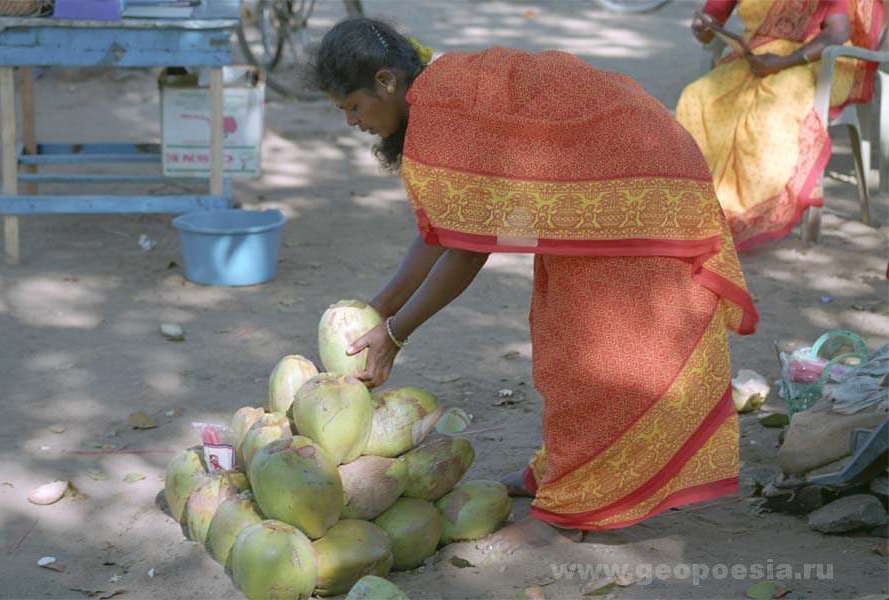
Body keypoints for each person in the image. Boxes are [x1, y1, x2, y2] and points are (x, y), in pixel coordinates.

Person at [308, 18, 758, 547]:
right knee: (563, 336)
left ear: (386, 81)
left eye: (354, 107)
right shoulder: (433, 94)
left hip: (640, 185)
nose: (353, 122)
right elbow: (446, 227)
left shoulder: (439, 116)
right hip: (616, 174)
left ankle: (573, 510)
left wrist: (397, 334)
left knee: (598, 354)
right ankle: (561, 476)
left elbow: (470, 248)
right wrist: (381, 305)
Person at [676, 0, 884, 250]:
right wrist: (703, 28)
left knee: (770, 111)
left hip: (810, 58)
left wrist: (783, 62)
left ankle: (745, 214)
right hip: (756, 55)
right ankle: (701, 206)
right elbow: (711, 20)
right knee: (696, 97)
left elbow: (838, 32)